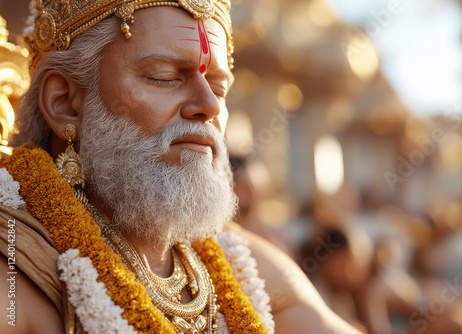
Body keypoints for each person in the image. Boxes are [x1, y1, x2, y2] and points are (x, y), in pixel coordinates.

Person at [0, 1, 359, 333]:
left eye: (218, 88)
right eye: (164, 75)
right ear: (65, 103)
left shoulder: (250, 269)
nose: (209, 107)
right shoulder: (15, 276)